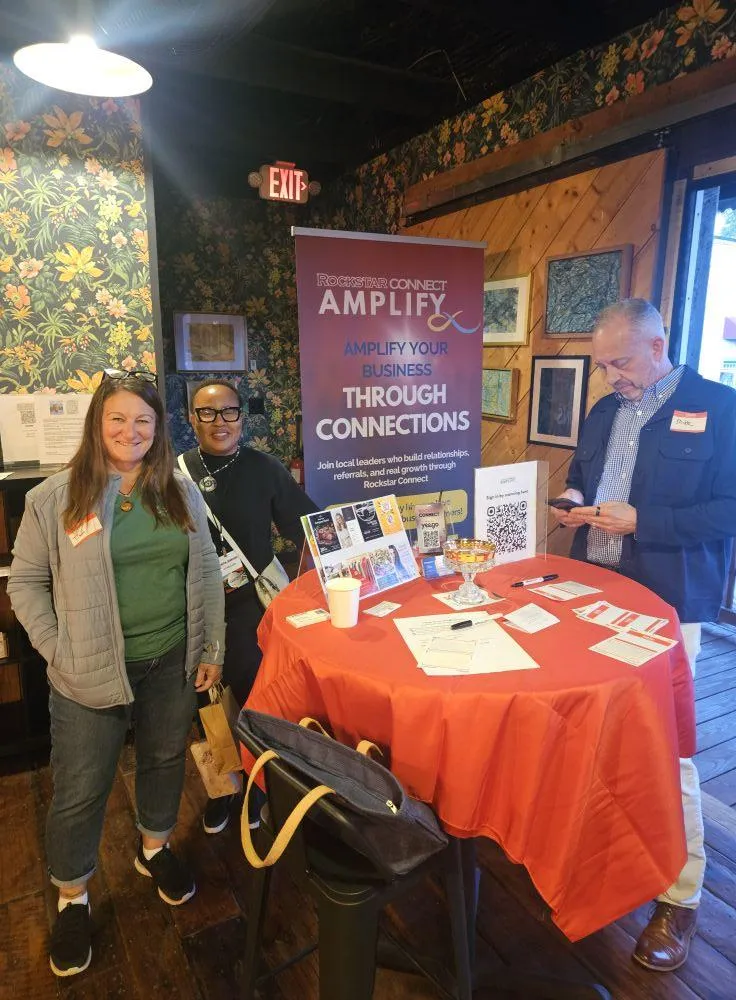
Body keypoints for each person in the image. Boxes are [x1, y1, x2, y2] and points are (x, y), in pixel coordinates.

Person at [7, 370, 225, 979]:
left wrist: (210, 644)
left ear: (158, 431)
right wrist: (58, 649)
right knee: (81, 786)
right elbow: (24, 584)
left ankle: (153, 848)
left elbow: (206, 569)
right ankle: (72, 896)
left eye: (143, 421)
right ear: (98, 424)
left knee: (163, 760)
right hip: (87, 673)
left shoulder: (180, 491)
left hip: (172, 660)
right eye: (118, 419)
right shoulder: (54, 499)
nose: (130, 431)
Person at [549, 299, 736, 973]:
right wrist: (571, 503)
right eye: (601, 364)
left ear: (658, 345)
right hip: (591, 590)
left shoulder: (720, 406)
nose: (609, 376)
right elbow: (581, 474)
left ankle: (679, 895)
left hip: (667, 603)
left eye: (619, 362)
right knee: (587, 725)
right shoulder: (605, 410)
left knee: (667, 747)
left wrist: (644, 521)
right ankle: (596, 855)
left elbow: (729, 509)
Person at [179, 379, 317, 835]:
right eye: (207, 413)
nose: (220, 422)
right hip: (196, 608)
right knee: (210, 706)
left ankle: (261, 787)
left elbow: (308, 531)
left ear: (243, 415)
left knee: (257, 702)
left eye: (229, 412)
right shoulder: (174, 475)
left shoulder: (265, 468)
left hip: (250, 608)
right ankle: (226, 789)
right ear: (190, 418)